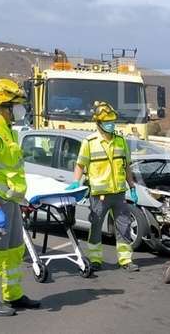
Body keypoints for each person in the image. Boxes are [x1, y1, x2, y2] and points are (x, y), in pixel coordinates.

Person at [0, 78, 40, 316]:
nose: (19, 110)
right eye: (15, 105)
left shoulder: (6, 129)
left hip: (10, 200)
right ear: (4, 106)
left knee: (14, 249)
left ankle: (12, 296)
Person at [67, 101, 139, 272]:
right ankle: (95, 259)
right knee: (96, 227)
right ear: (98, 123)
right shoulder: (89, 142)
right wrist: (76, 183)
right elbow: (80, 165)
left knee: (124, 227)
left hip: (119, 193)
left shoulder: (121, 141)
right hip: (99, 195)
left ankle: (125, 260)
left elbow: (127, 165)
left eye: (113, 121)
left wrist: (132, 187)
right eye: (107, 122)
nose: (111, 124)